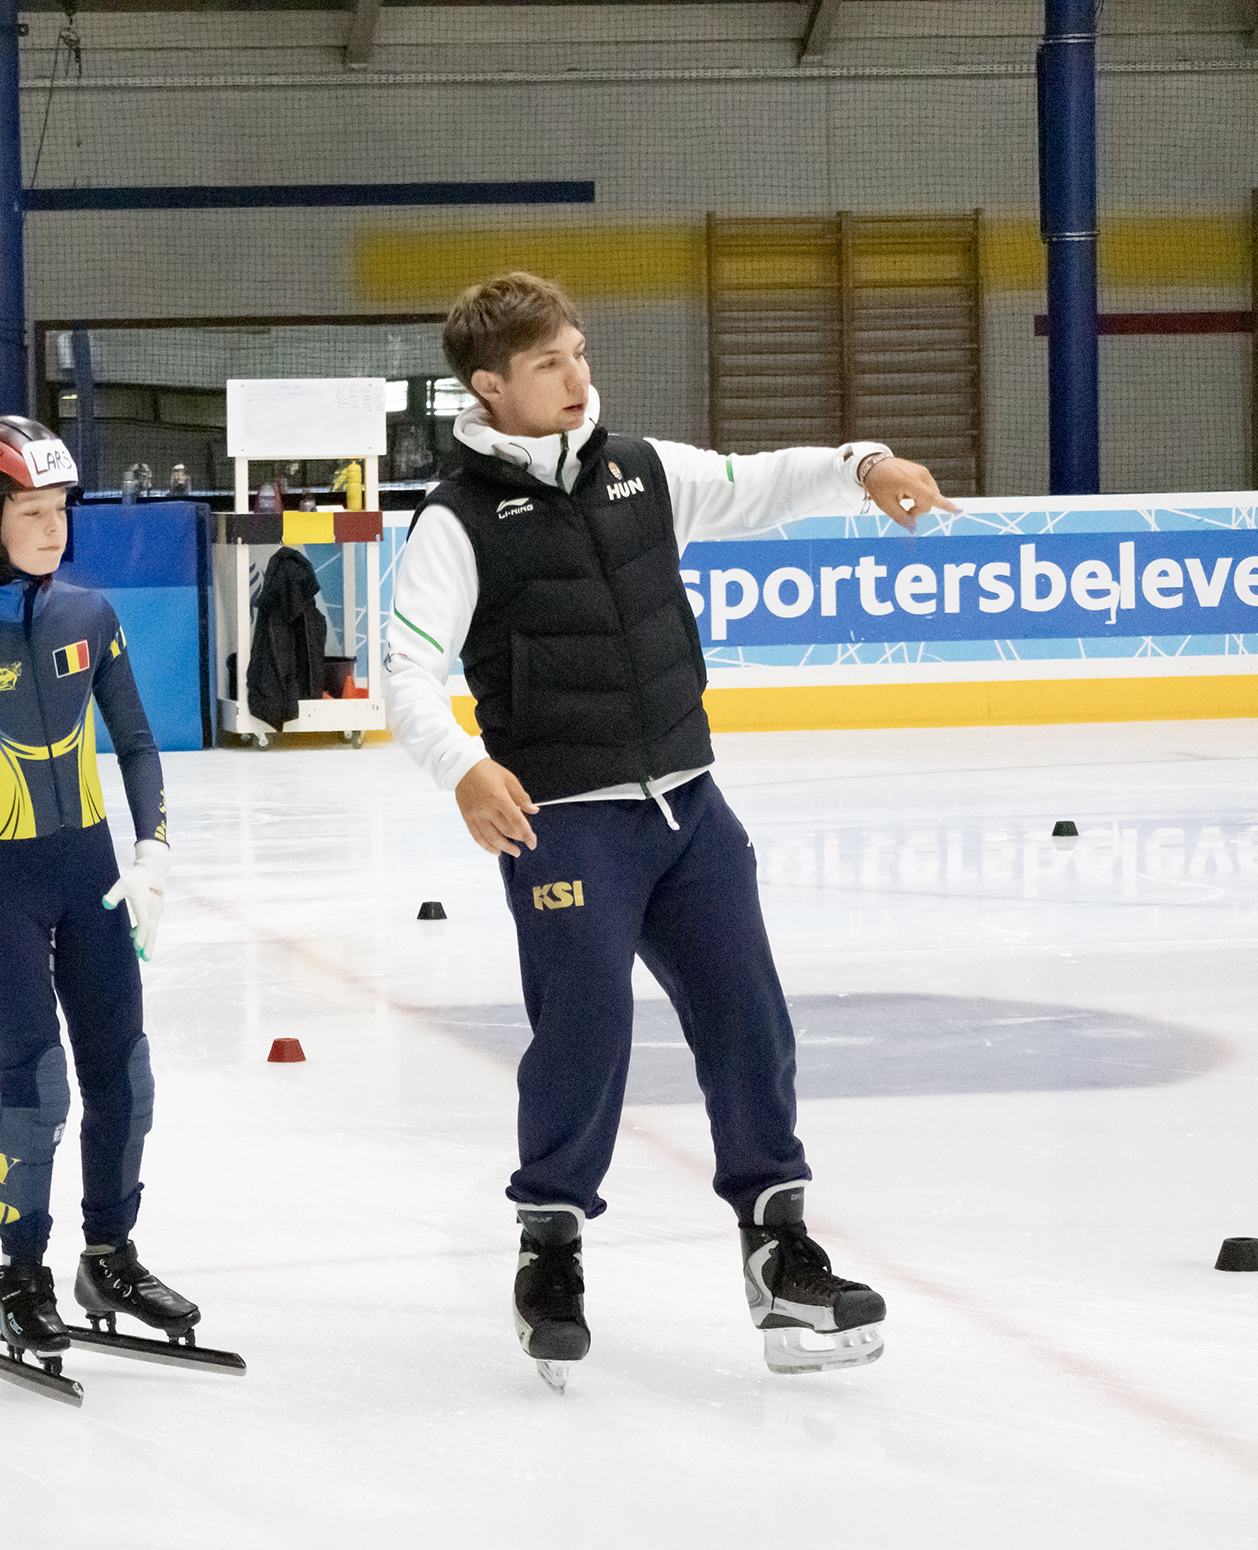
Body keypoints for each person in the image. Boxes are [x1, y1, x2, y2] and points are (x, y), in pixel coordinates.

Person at [382, 271, 958, 1390]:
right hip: (567, 823)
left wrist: (862, 465)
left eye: (580, 353)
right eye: (549, 364)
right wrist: (462, 766)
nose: (576, 379)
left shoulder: (639, 471)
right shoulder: (456, 522)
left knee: (749, 1017)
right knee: (585, 1026)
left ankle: (780, 1247)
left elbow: (758, 481)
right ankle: (549, 1246)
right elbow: (406, 667)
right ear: (489, 385)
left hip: (688, 808)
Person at [0, 416, 206, 1398]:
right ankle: (22, 1277)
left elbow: (138, 745)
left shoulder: (90, 617)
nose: (53, 527)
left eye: (59, 509)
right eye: (32, 511)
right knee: (39, 1091)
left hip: (95, 880)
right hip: (2, 892)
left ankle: (108, 1258)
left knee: (127, 1081)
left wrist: (150, 852)